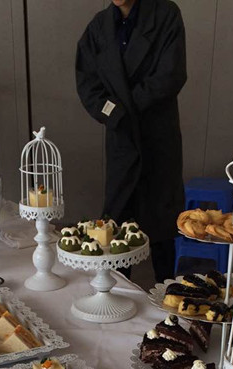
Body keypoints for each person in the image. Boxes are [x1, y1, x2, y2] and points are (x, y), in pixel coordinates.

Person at [76, 0, 186, 282]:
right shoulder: (99, 27)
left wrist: (125, 107)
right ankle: (114, 291)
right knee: (118, 221)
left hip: (158, 136)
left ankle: (167, 293)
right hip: (121, 136)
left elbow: (171, 75)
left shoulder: (165, 15)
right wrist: (115, 113)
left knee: (161, 223)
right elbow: (88, 84)